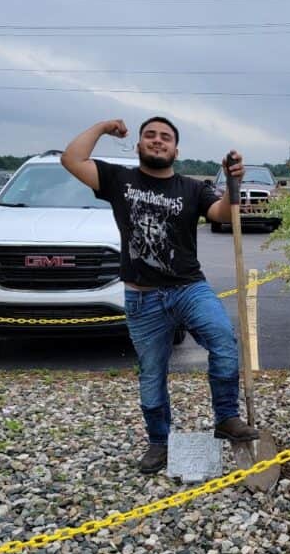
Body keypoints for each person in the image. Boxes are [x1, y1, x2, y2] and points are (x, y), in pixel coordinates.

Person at [61, 117, 259, 474]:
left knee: (224, 342)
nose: (157, 141)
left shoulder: (192, 188)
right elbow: (72, 160)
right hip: (142, 297)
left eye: (165, 137)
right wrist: (103, 127)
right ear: (138, 145)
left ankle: (226, 417)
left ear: (175, 150)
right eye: (149, 135)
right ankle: (159, 442)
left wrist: (233, 182)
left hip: (188, 288)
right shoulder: (118, 180)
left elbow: (221, 213)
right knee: (152, 373)